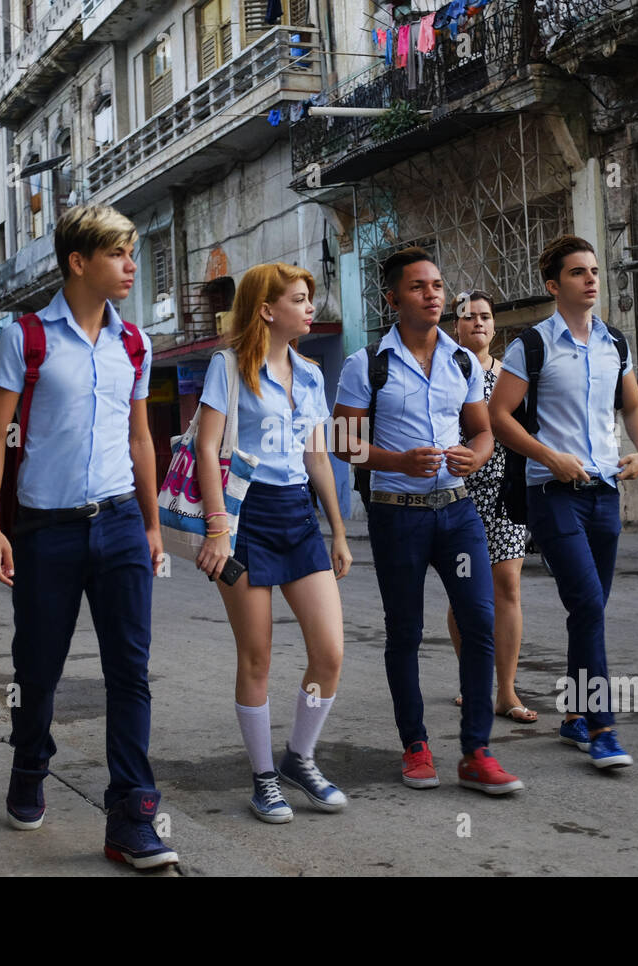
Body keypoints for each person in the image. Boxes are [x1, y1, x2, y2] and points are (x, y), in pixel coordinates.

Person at [0, 203, 176, 870]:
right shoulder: (26, 338)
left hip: (119, 522)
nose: (130, 265)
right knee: (37, 669)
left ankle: (132, 816)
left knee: (131, 673)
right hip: (44, 531)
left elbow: (141, 438)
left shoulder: (134, 344)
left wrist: (151, 523)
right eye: (119, 253)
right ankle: (30, 762)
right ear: (78, 261)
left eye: (133, 251)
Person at [332, 247, 524, 796]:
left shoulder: (461, 361)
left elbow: (482, 430)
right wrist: (397, 462)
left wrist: (479, 454)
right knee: (406, 633)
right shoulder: (367, 364)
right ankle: (415, 746)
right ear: (393, 299)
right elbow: (343, 443)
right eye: (418, 287)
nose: (433, 294)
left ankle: (476, 751)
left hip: (458, 511)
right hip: (398, 517)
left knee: (480, 624)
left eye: (438, 285)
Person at [488, 235, 638, 769]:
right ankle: (602, 727)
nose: (591, 279)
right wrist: (549, 456)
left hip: (605, 493)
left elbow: (632, 405)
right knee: (586, 603)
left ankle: (574, 715)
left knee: (591, 610)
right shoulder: (531, 346)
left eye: (594, 271)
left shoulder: (615, 344)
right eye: (578, 272)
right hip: (552, 494)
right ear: (553, 285)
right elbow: (499, 416)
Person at [194, 263, 353, 823]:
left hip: (299, 517)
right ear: (267, 309)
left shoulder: (310, 374)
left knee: (329, 651)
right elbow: (209, 447)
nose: (310, 307)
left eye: (310, 299)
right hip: (244, 517)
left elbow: (317, 457)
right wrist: (218, 527)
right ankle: (264, 776)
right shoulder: (229, 367)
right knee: (256, 656)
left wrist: (336, 528)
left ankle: (299, 757)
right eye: (299, 299)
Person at [445, 291, 536, 724]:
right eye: (469, 317)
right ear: (456, 326)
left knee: (508, 589)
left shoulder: (510, 376)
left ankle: (506, 690)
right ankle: (472, 683)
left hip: (503, 492)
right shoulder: (446, 371)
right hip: (457, 494)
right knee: (465, 593)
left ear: (494, 326)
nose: (477, 322)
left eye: (485, 316)